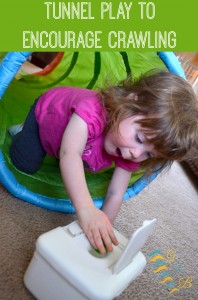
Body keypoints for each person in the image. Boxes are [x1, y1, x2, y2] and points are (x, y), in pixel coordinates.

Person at [9, 70, 198, 254]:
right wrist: (87, 210)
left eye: (149, 154)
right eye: (140, 139)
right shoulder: (92, 111)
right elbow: (70, 154)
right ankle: (22, 129)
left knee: (80, 164)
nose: (136, 154)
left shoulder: (130, 151)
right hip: (46, 116)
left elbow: (116, 193)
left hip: (72, 143)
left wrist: (102, 228)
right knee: (24, 164)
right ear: (131, 103)